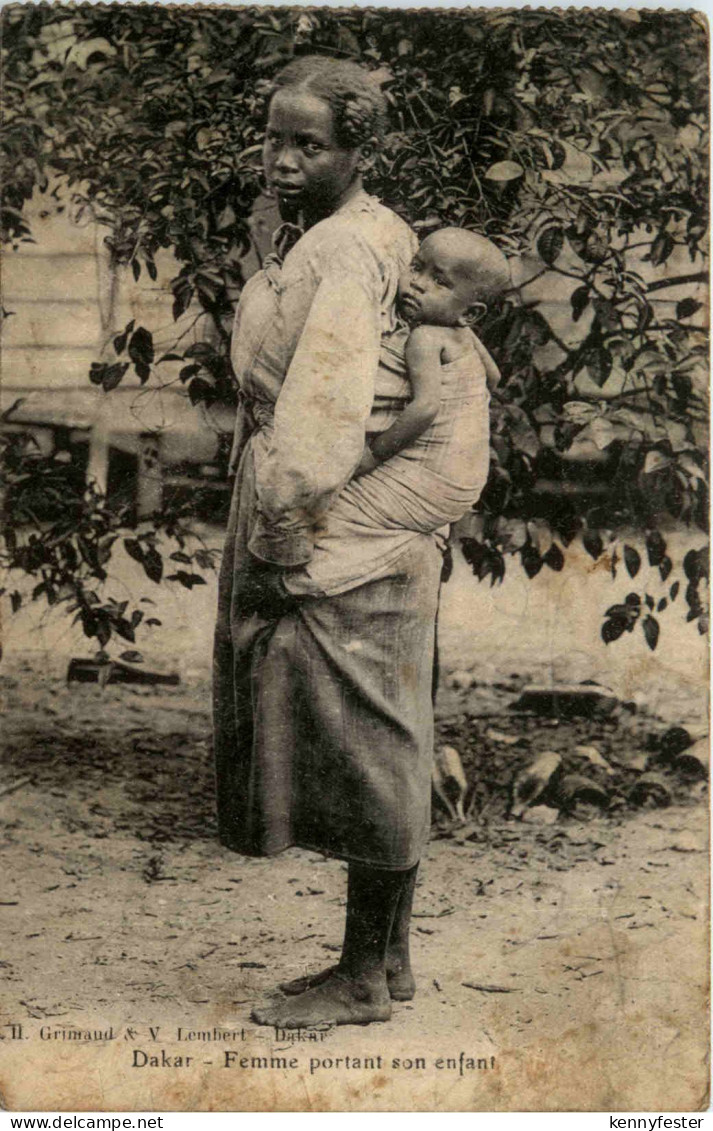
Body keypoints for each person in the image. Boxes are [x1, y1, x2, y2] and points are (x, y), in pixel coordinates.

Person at [213, 55, 446, 1028]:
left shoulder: (344, 254)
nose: (281, 160)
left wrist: (282, 534)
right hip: (378, 511)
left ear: (358, 149)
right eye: (273, 139)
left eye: (309, 145)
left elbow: (324, 405)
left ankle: (357, 978)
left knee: (364, 736)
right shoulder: (363, 229)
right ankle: (385, 960)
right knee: (384, 723)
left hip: (331, 512)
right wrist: (272, 255)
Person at [279, 227, 510, 599]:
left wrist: (373, 456)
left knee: (339, 510)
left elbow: (425, 407)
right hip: (466, 477)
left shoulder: (425, 338)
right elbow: (494, 378)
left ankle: (304, 584)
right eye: (416, 268)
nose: (415, 285)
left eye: (439, 281)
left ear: (471, 312)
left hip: (436, 480)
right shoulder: (463, 333)